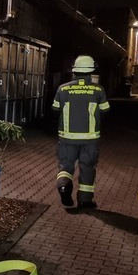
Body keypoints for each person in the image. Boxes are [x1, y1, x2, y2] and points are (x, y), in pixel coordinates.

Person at [52, 54, 110, 209]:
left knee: (65, 166)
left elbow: (55, 109)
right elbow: (105, 111)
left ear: (75, 71)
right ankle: (85, 201)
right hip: (90, 139)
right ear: (91, 71)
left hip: (67, 138)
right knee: (88, 169)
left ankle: (64, 188)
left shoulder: (63, 89)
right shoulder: (98, 90)